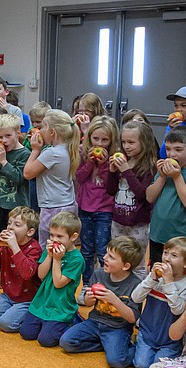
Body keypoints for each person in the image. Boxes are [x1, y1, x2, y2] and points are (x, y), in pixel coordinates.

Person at [59, 236, 145, 368]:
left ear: (126, 266)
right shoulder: (99, 274)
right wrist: (89, 298)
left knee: (117, 362)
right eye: (106, 253)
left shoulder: (135, 285)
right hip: (94, 322)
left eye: (111, 257)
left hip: (117, 328)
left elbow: (132, 318)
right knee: (66, 342)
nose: (104, 257)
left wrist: (115, 300)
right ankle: (105, 345)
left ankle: (132, 347)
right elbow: (88, 304)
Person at [131, 237, 186, 368]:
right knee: (141, 366)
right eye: (165, 253)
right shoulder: (155, 276)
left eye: (174, 255)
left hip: (170, 339)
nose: (166, 258)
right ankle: (140, 341)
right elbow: (135, 298)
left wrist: (169, 282)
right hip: (148, 331)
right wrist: (152, 279)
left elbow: (177, 310)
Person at [146, 126, 186, 266]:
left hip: (182, 237)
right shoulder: (164, 171)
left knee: (180, 275)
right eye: (168, 149)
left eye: (178, 150)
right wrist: (161, 177)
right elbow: (150, 197)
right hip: (158, 234)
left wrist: (177, 176)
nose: (171, 154)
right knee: (158, 272)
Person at [21, 212, 83, 347]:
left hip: (60, 306)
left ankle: (73, 321)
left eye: (60, 236)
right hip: (42, 302)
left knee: (46, 341)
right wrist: (49, 256)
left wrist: (57, 260)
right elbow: (41, 275)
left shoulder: (77, 259)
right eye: (52, 235)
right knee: (27, 333)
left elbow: (58, 283)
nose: (54, 240)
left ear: (73, 237)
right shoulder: (50, 250)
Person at [75, 116, 120, 283]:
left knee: (102, 250)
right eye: (96, 139)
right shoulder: (82, 152)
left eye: (105, 140)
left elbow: (111, 184)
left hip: (105, 210)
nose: (99, 144)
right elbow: (79, 177)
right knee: (86, 250)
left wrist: (103, 164)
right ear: (89, 137)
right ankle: (87, 283)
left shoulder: (115, 157)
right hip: (85, 209)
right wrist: (89, 162)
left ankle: (104, 284)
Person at [0, 206, 42, 332]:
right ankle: (10, 310)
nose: (10, 227)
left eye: (17, 225)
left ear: (30, 232)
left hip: (27, 299)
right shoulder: (5, 245)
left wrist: (15, 247)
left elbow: (27, 273)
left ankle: (33, 317)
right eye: (9, 223)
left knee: (6, 323)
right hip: (8, 295)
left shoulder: (34, 248)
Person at [25, 109, 79, 245]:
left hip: (53, 207)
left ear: (52, 132)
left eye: (43, 126)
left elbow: (27, 173)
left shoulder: (51, 153)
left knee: (48, 246)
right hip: (67, 203)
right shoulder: (68, 148)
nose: (39, 130)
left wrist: (35, 150)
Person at [111, 121, 157, 252]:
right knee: (117, 255)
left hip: (138, 222)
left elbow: (142, 194)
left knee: (137, 260)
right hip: (118, 220)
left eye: (131, 142)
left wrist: (126, 171)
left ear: (145, 142)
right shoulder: (123, 161)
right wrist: (112, 172)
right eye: (124, 142)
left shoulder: (149, 167)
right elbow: (110, 190)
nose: (126, 146)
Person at [0, 114, 30, 234]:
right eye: (0, 137)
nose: (4, 141)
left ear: (18, 132)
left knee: (15, 236)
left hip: (16, 206)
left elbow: (19, 178)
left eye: (8, 136)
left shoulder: (24, 154)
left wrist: (3, 161)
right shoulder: (0, 151)